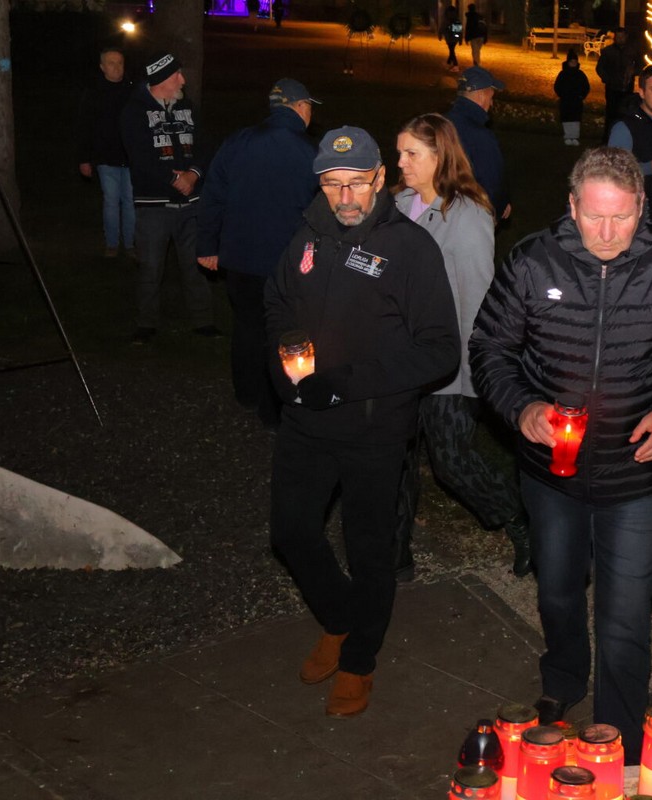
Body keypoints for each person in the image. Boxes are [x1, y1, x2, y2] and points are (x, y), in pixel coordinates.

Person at [469, 147, 652, 763]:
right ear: (571, 206)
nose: (608, 234)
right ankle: (562, 680)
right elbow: (489, 348)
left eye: (622, 217)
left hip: (636, 478)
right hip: (550, 476)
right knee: (558, 591)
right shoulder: (533, 261)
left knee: (624, 617)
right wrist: (521, 407)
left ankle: (621, 745)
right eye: (593, 218)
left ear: (642, 206)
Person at [264, 126, 460, 718]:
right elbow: (275, 302)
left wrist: (346, 383)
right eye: (331, 183)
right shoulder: (308, 234)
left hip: (374, 429)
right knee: (291, 533)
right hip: (305, 421)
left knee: (369, 550)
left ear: (380, 178)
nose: (344, 197)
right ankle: (343, 619)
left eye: (355, 183)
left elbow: (439, 350)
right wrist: (284, 361)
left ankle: (359, 659)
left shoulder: (410, 249)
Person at [391, 113, 531, 579]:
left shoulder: (467, 217)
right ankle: (394, 556)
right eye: (400, 152)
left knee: (451, 461)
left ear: (440, 156)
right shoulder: (396, 205)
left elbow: (478, 297)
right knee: (397, 458)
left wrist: (479, 370)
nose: (401, 162)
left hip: (449, 362)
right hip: (399, 360)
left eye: (412, 153)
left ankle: (517, 518)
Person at [196, 78, 320, 429]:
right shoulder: (309, 152)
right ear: (299, 107)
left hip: (239, 259)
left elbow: (213, 195)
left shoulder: (238, 142)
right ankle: (274, 407)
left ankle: (246, 393)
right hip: (285, 264)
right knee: (282, 333)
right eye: (310, 107)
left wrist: (207, 245)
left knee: (248, 326)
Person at [119, 52, 217, 345]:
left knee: (196, 264)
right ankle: (146, 323)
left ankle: (204, 321)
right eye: (178, 75)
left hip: (191, 205)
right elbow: (140, 157)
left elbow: (205, 145)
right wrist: (174, 179)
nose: (183, 80)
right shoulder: (134, 112)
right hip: (154, 206)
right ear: (162, 79)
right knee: (150, 267)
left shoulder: (188, 107)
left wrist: (194, 175)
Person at [78, 46, 135, 259]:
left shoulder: (132, 90)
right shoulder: (94, 92)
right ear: (102, 67)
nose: (116, 67)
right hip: (105, 157)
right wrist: (84, 158)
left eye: (119, 62)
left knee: (130, 200)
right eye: (111, 63)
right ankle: (112, 243)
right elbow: (84, 126)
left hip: (129, 157)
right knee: (111, 200)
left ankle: (130, 244)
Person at [607, 63, 652, 227]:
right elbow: (614, 171)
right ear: (642, 92)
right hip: (642, 214)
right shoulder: (625, 127)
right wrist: (650, 168)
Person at [446, 66, 512, 220]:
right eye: (491, 97)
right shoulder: (480, 137)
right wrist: (499, 206)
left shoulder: (441, 123)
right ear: (482, 96)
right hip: (468, 216)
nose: (491, 103)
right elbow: (491, 181)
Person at [596, 28, 637, 141]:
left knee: (625, 114)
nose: (620, 39)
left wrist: (634, 71)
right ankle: (608, 138)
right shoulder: (607, 51)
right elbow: (600, 68)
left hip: (627, 88)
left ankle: (624, 138)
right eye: (618, 37)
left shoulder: (632, 51)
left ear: (626, 37)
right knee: (611, 114)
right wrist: (607, 79)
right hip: (612, 88)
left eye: (622, 36)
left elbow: (640, 65)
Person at [554, 49, 590, 146]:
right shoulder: (563, 74)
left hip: (576, 101)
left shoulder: (580, 74)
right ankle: (567, 136)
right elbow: (557, 86)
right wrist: (562, 94)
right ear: (568, 62)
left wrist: (582, 96)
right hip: (566, 100)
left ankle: (574, 137)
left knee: (576, 120)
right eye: (572, 62)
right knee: (567, 119)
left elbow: (586, 86)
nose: (573, 63)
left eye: (575, 62)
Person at [440, 4, 463, 73]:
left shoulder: (447, 19)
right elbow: (459, 31)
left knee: (452, 51)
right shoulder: (457, 19)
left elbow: (443, 27)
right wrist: (460, 39)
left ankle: (455, 65)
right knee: (451, 50)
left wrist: (440, 34)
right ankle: (448, 63)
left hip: (449, 37)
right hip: (455, 38)